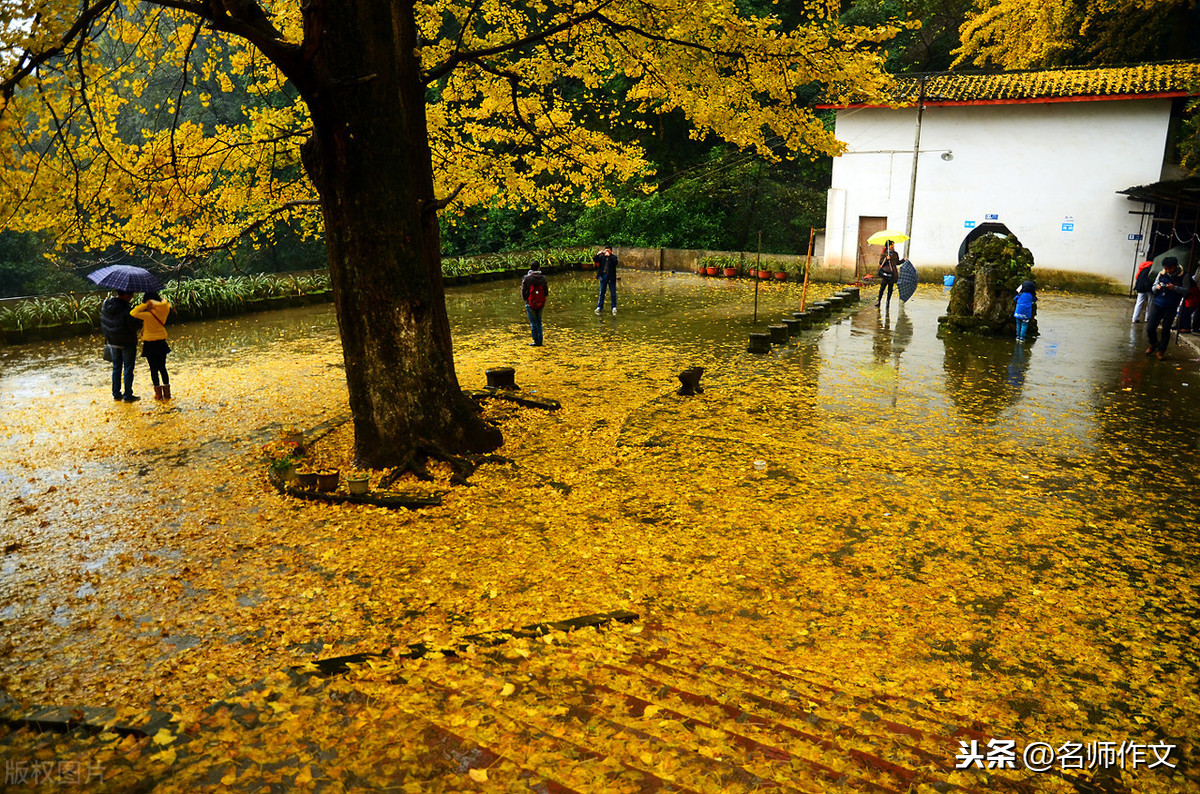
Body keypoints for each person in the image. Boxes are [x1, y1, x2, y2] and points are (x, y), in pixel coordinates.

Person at [100, 291, 143, 402]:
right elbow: (133, 326)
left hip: (113, 341)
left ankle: (116, 393)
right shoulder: (126, 310)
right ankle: (128, 395)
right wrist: (139, 320)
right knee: (128, 368)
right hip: (127, 342)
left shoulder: (106, 306)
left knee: (116, 367)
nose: (131, 296)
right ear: (126, 295)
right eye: (131, 294)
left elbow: (104, 322)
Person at [131, 291, 173, 399]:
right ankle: (167, 393)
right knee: (163, 367)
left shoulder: (147, 315)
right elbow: (165, 303)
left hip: (149, 344)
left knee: (153, 369)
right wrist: (154, 302)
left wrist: (145, 305)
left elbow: (133, 312)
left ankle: (158, 394)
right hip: (161, 342)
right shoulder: (164, 310)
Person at [1146, 256, 1187, 360]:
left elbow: (1186, 290)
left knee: (1166, 329)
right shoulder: (1162, 273)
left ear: (1175, 266)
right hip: (1158, 303)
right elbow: (1153, 287)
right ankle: (1154, 343)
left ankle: (1161, 350)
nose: (1168, 271)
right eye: (1166, 268)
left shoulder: (1184, 276)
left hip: (1171, 305)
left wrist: (1175, 288)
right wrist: (1156, 288)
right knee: (1150, 327)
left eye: (1170, 268)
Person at [520, 260, 548, 346]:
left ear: (530, 268)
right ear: (539, 268)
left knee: (533, 322)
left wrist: (526, 300)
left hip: (530, 303)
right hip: (540, 303)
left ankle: (536, 341)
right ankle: (540, 340)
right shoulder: (543, 278)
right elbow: (546, 291)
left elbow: (523, 291)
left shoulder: (526, 278)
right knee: (539, 321)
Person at [594, 245, 618, 316]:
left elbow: (615, 262)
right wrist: (598, 254)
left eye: (608, 251)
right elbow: (595, 259)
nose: (606, 252)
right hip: (603, 276)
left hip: (611, 277)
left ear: (611, 251)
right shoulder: (602, 257)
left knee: (613, 293)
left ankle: (614, 307)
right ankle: (599, 307)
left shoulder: (613, 257)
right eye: (606, 250)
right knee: (602, 292)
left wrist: (609, 256)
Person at [875, 241, 899, 308]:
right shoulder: (884, 254)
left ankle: (888, 302)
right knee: (882, 288)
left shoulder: (895, 254)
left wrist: (904, 260)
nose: (893, 246)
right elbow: (880, 262)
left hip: (892, 273)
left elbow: (897, 262)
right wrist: (886, 259)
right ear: (888, 246)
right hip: (885, 273)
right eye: (891, 245)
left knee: (890, 288)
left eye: (893, 245)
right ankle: (879, 301)